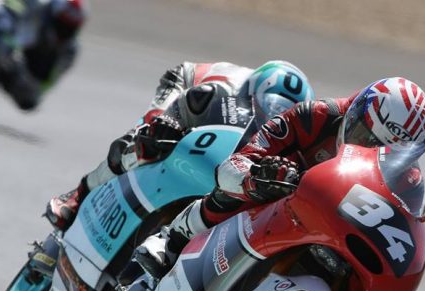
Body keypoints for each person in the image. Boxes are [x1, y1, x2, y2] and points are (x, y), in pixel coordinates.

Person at [135, 77, 425, 291]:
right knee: (235, 188)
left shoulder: (409, 180)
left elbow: (405, 228)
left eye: (387, 152)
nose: (369, 152)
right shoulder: (314, 116)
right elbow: (233, 165)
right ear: (354, 114)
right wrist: (257, 175)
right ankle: (172, 240)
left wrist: (400, 286)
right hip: (275, 197)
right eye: (366, 138)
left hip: (333, 225)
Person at [45, 60, 315, 230]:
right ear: (251, 94)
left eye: (281, 111)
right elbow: (188, 106)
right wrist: (168, 123)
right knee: (143, 140)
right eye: (268, 105)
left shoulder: (288, 130)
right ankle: (78, 195)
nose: (272, 114)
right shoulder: (227, 89)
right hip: (183, 87)